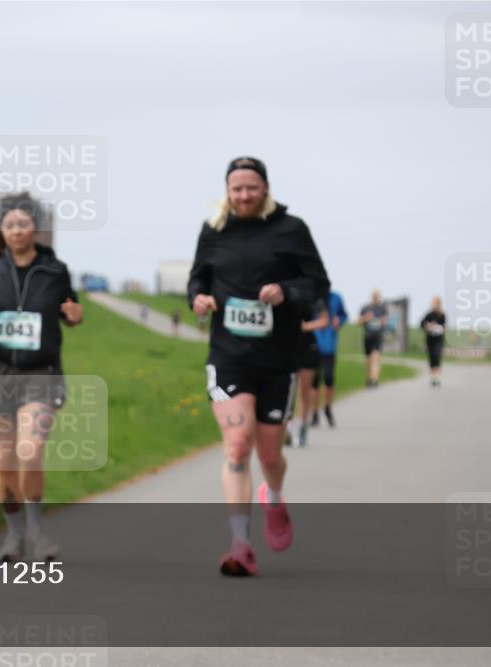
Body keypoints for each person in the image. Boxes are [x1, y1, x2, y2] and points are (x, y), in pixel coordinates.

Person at [188, 156, 330, 577]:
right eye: (236, 189)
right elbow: (198, 279)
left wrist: (286, 291)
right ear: (227, 191)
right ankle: (240, 544)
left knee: (270, 453)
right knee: (237, 444)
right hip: (229, 357)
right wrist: (198, 299)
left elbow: (318, 283)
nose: (244, 195)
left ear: (265, 188)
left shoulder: (291, 229)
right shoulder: (213, 231)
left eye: (251, 187)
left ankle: (275, 496)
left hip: (277, 359)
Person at [0, 192, 83, 563]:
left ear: (35, 229)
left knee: (30, 450)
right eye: (10, 224)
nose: (17, 230)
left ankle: (37, 531)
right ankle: (13, 537)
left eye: (24, 224)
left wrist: (75, 314)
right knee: (5, 461)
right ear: (3, 229)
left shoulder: (54, 270)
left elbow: (71, 314)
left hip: (40, 373)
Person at [291, 300, 329, 447]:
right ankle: (287, 428)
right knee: (288, 390)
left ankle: (302, 428)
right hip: (288, 346)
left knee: (304, 391)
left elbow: (325, 320)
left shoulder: (313, 295)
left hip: (307, 347)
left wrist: (304, 326)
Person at [311, 290, 348, 427]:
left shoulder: (336, 298)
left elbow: (344, 315)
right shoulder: (312, 296)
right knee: (314, 382)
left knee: (329, 379)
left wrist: (340, 320)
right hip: (313, 345)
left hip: (329, 345)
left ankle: (327, 408)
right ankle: (314, 413)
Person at [359, 290, 388, 387]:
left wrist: (381, 321)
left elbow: (385, 320)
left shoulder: (382, 308)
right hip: (368, 336)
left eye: (377, 296)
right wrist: (366, 318)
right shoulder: (365, 308)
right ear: (371, 297)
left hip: (378, 336)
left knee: (376, 357)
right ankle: (369, 377)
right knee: (368, 360)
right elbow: (358, 321)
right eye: (374, 296)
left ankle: (374, 380)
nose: (376, 298)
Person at [420, 296, 446, 387]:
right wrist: (428, 326)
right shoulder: (429, 315)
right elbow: (422, 324)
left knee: (437, 357)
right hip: (430, 339)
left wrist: (439, 327)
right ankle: (432, 378)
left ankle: (437, 378)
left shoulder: (442, 315)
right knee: (431, 358)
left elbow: (444, 326)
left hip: (439, 339)